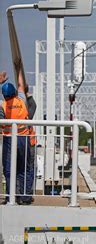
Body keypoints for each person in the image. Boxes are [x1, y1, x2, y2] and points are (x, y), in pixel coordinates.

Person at [0, 71, 33, 204]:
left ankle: (10, 196)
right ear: (14, 92)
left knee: (8, 170)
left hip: (9, 139)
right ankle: (24, 197)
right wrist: (18, 69)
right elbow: (21, 85)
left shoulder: (2, 105)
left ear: (4, 95)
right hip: (23, 139)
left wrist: (1, 82)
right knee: (24, 168)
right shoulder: (22, 100)